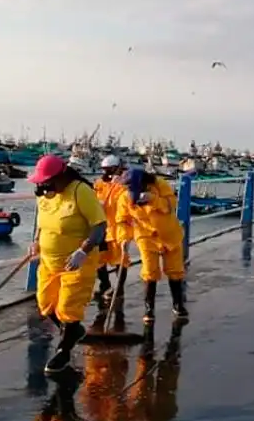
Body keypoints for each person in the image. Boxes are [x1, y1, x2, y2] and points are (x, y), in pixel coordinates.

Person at [28, 154, 107, 374]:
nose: (43, 186)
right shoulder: (45, 196)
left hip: (77, 262)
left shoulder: (80, 191)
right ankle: (73, 331)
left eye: (46, 181)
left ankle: (64, 350)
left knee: (67, 308)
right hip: (49, 261)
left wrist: (84, 250)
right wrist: (36, 242)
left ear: (60, 177)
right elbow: (42, 223)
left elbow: (99, 225)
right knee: (45, 303)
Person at [115, 168, 188, 323]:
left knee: (175, 270)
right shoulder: (124, 197)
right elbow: (122, 220)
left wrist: (154, 199)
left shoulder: (160, 185)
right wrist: (124, 238)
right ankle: (149, 308)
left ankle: (178, 304)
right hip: (146, 236)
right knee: (149, 271)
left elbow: (171, 205)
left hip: (169, 233)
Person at [92, 154, 130, 329]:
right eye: (105, 170)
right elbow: (92, 198)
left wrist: (122, 184)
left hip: (118, 228)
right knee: (99, 260)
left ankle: (119, 289)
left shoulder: (123, 185)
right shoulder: (99, 184)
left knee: (120, 261)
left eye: (110, 170)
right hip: (102, 227)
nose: (107, 173)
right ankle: (105, 285)